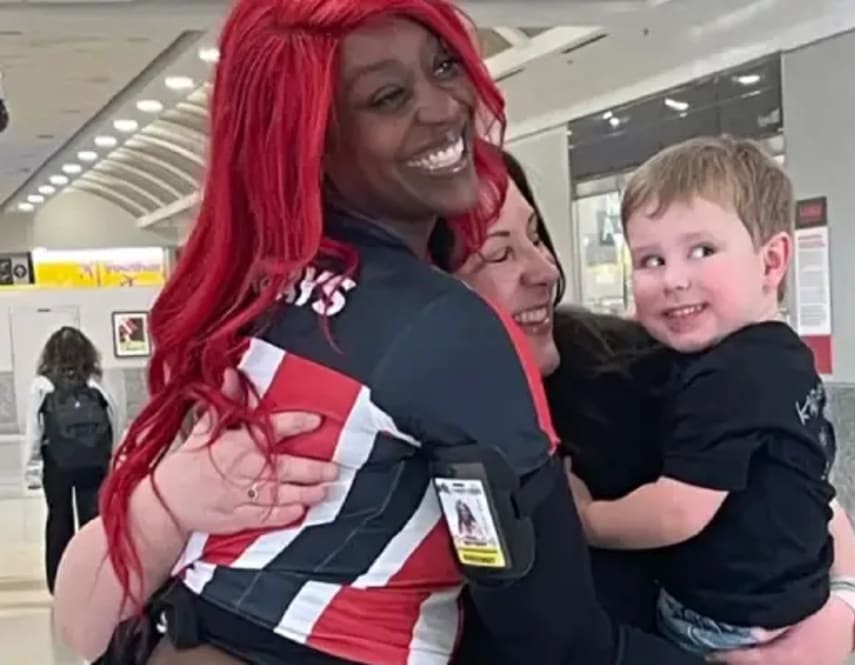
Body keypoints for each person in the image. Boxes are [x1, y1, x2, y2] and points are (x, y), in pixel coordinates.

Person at [53, 2, 698, 664]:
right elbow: (559, 642)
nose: (445, 107)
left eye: (445, 64)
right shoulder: (446, 329)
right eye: (389, 96)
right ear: (316, 139)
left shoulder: (262, 306)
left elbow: (84, 625)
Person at [59, 151, 855, 665]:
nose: (543, 271)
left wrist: (844, 610)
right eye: (497, 253)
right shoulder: (314, 426)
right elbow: (80, 624)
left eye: (537, 238)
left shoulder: (638, 367)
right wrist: (169, 501)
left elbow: (799, 487)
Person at [568, 136, 855, 655]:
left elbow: (677, 512)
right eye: (650, 261)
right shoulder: (780, 353)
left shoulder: (729, 379)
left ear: (772, 260)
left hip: (720, 622)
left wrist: (589, 519)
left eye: (701, 251)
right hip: (794, 595)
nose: (673, 280)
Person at [22, 326, 116, 593]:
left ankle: (60, 583)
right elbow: (114, 417)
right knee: (92, 521)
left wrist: (32, 469)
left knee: (59, 520)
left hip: (57, 464)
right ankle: (94, 579)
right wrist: (112, 455)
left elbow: (33, 430)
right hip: (94, 461)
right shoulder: (95, 380)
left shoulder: (42, 384)